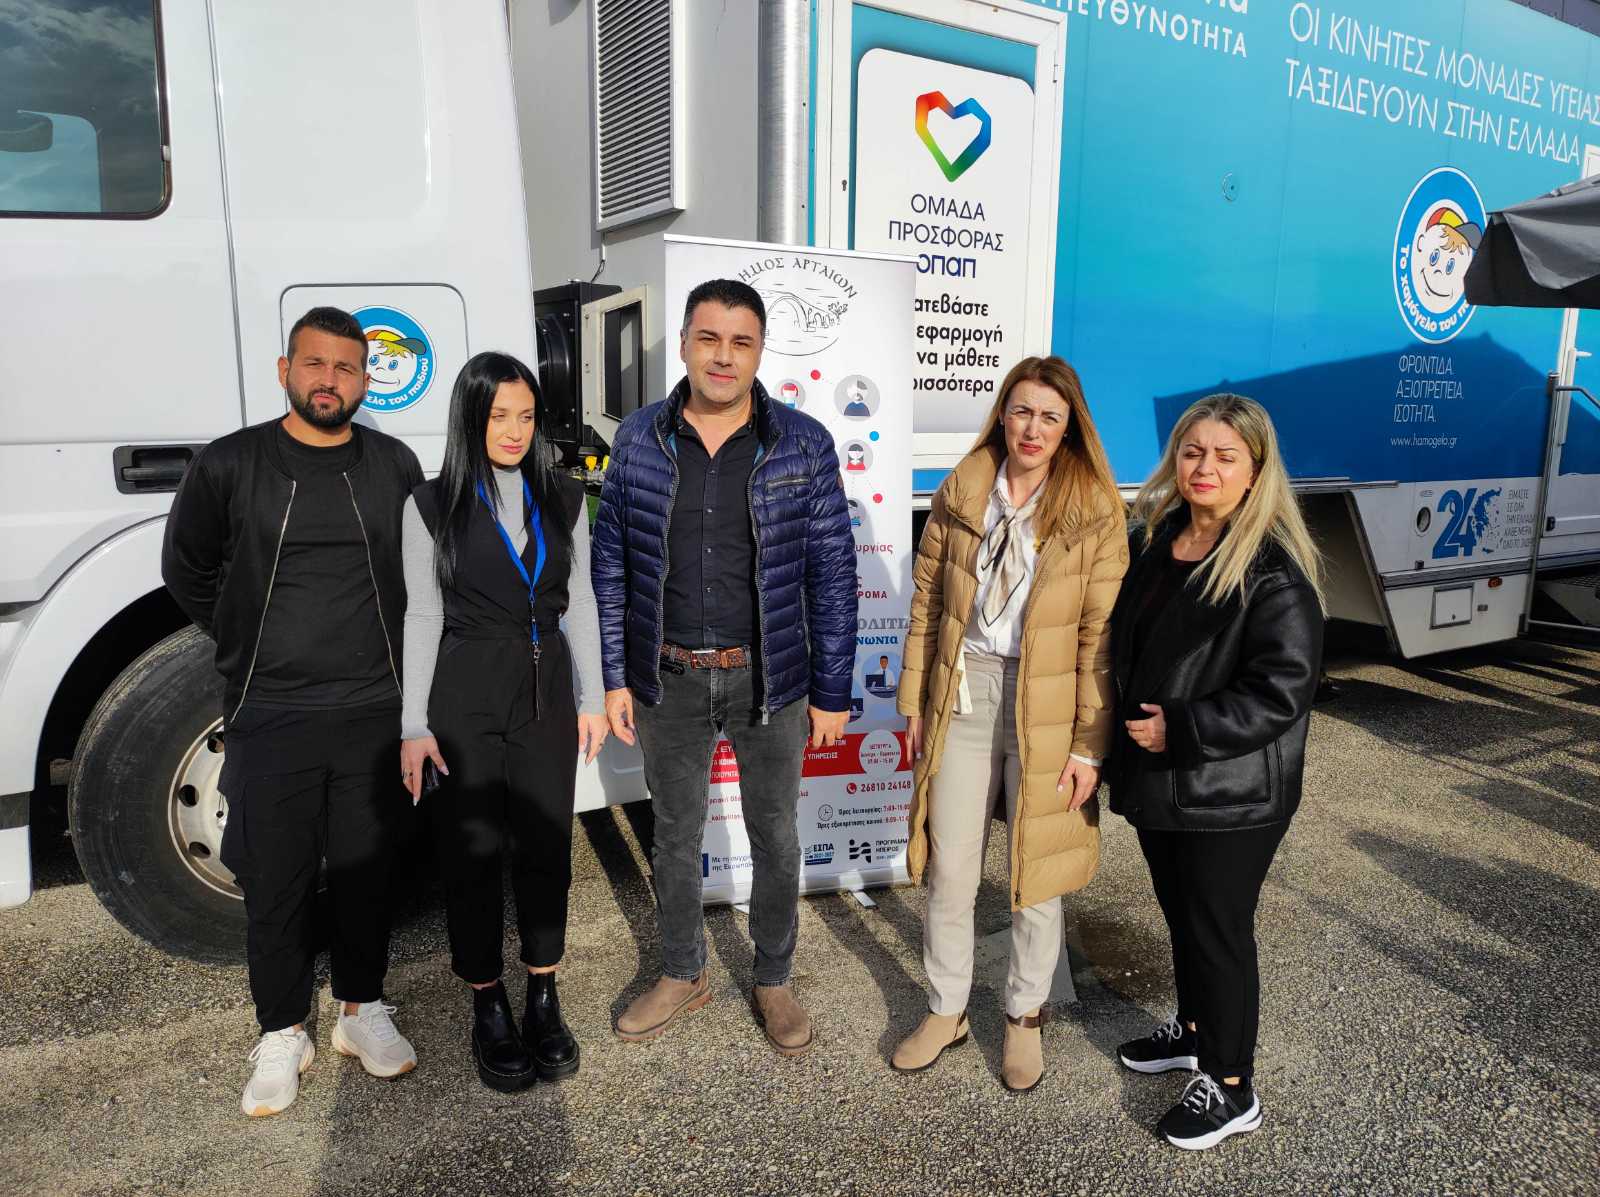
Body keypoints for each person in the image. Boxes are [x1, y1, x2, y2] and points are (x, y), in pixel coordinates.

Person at [162, 306, 423, 1118]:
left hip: (373, 710)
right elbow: (187, 568)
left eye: (346, 367)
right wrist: (245, 636)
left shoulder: (391, 464)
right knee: (274, 877)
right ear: (286, 370)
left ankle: (360, 1009)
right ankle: (282, 1029)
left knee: (366, 873)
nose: (328, 380)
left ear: (365, 381)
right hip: (271, 709)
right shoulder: (231, 463)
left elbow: (419, 574)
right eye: (314, 364)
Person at [592, 278, 857, 1056]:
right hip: (667, 676)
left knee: (775, 832)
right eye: (709, 338)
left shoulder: (803, 443)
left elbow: (833, 574)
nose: (723, 356)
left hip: (769, 676)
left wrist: (832, 689)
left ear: (760, 352)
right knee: (675, 834)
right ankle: (683, 970)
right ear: (683, 343)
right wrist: (615, 675)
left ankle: (773, 976)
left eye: (741, 342)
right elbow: (611, 565)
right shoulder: (637, 438)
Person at [891, 355, 1127, 1092]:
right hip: (965, 688)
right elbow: (928, 601)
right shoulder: (964, 490)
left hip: (1046, 698)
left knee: (1036, 871)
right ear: (1003, 413)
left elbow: (1100, 638)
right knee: (952, 866)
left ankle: (1024, 1015)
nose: (1033, 428)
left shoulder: (1093, 510)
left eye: (1050, 416)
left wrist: (1089, 745)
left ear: (1069, 428)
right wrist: (914, 702)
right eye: (1022, 410)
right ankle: (947, 1008)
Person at [1107, 393, 1324, 1151]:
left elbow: (1283, 689)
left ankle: (1231, 1085)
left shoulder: (1272, 572)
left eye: (1226, 456)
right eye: (1193, 451)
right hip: (1162, 777)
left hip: (1230, 789)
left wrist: (1186, 727)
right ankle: (1195, 1029)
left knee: (1218, 929)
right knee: (1183, 915)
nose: (1205, 467)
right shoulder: (1158, 540)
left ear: (1255, 470)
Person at [399, 352, 608, 1091]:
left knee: (547, 845)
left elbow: (580, 601)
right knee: (474, 852)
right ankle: (486, 999)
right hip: (464, 691)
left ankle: (542, 991)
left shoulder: (565, 497)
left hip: (545, 690)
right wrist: (413, 724)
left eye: (526, 416)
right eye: (498, 416)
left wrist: (591, 696)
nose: (515, 431)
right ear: (470, 418)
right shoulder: (430, 506)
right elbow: (422, 615)